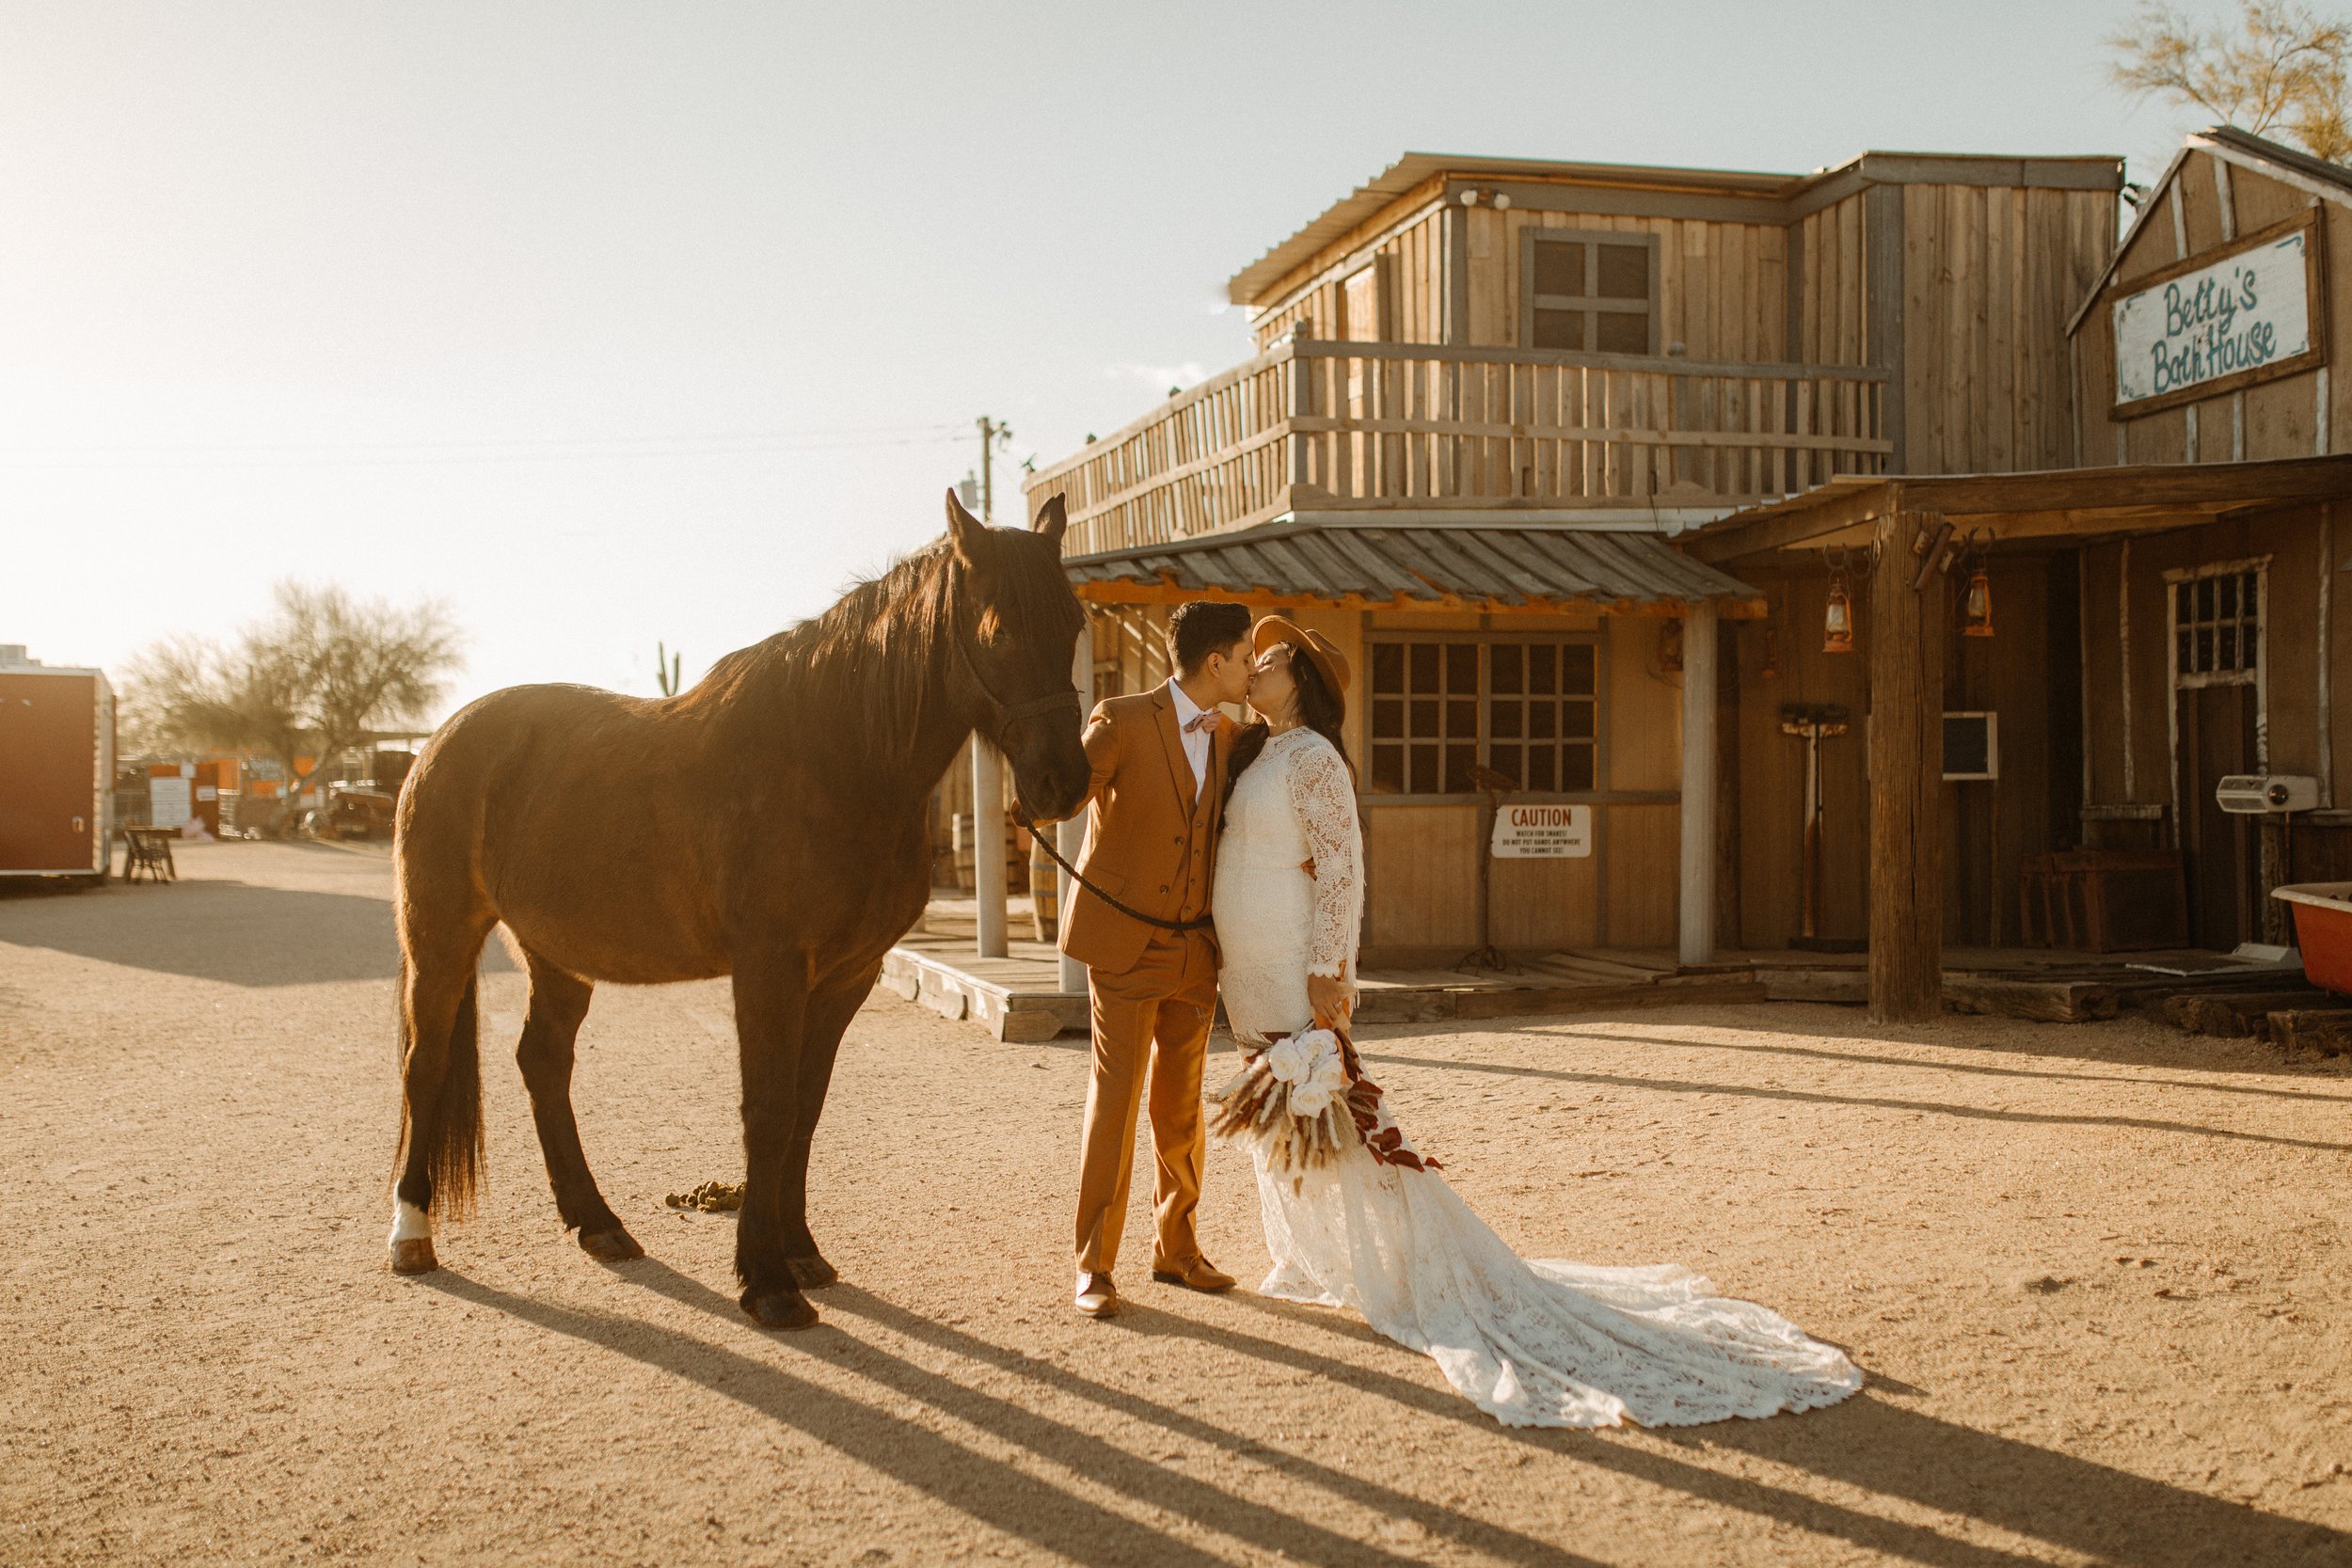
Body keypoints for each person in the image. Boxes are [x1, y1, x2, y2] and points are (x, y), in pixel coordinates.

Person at [1207, 616, 1864, 1429]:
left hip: (1288, 952)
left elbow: (1344, 864)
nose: (1253, 667)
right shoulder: (1257, 751)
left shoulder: (1313, 759)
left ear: (1299, 677)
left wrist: (1330, 967)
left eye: (1266, 659)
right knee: (1279, 1114)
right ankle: (1309, 1253)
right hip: (1246, 962)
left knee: (1325, 1107)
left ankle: (1389, 1264)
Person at [1055, 600, 1255, 1320]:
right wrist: (1034, 796)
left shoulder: (1234, 735)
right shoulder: (1122, 717)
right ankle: (1094, 1267)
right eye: (1245, 655)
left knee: (1179, 1108)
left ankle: (1176, 1246)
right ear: (1215, 662)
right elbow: (1064, 789)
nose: (1251, 666)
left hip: (1196, 949)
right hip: (1124, 943)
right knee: (1115, 1100)